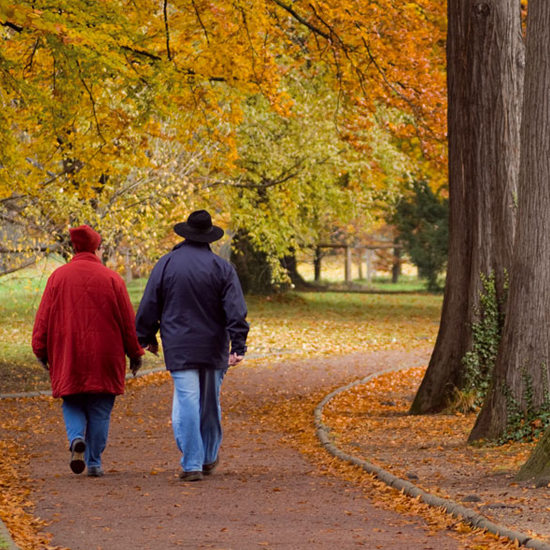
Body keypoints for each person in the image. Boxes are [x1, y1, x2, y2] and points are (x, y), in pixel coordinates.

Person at [135, 209, 249, 482]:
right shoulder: (223, 268)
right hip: (213, 346)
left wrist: (146, 336)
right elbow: (235, 310)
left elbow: (150, 303)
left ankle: (192, 462)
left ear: (186, 234)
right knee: (210, 403)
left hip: (179, 345)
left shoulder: (166, 264)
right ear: (209, 237)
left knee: (187, 400)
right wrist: (238, 345)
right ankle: (208, 456)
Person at [32, 225, 144, 477]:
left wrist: (40, 349)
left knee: (71, 400)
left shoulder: (57, 278)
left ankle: (76, 439)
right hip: (106, 354)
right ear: (96, 247)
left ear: (74, 247)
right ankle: (94, 462)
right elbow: (127, 322)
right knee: (100, 408)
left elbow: (43, 319)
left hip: (68, 352)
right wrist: (135, 353)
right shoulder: (112, 278)